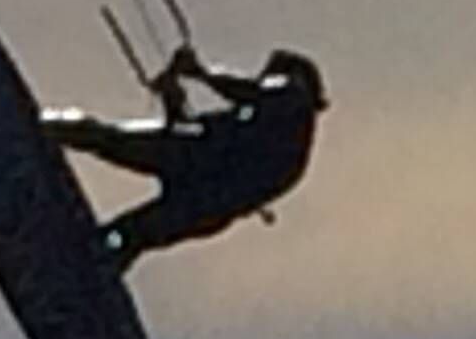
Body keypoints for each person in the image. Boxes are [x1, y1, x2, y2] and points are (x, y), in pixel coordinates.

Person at [40, 45, 327, 273]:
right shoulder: (256, 121)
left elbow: (255, 93)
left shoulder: (291, 101)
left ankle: (85, 276)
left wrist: (201, 73)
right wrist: (172, 97)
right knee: (126, 223)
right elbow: (189, 129)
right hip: (199, 184)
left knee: (128, 231)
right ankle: (46, 128)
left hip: (204, 190)